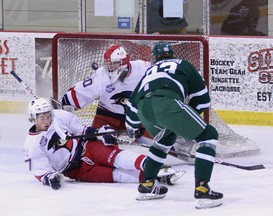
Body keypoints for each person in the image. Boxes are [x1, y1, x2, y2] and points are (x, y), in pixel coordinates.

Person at [125, 42, 223, 209]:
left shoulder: (149, 71)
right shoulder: (183, 64)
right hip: (166, 102)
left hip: (144, 109)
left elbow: (132, 104)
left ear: (154, 58)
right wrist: (185, 119)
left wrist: (133, 128)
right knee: (209, 135)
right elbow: (203, 99)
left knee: (165, 139)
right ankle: (203, 189)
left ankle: (147, 185)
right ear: (173, 54)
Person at [23, 98, 185, 190]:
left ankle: (156, 166)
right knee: (117, 176)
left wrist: (99, 133)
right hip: (76, 171)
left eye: (47, 116)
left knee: (118, 158)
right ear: (33, 118)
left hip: (88, 148)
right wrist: (50, 178)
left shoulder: (59, 117)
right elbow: (40, 171)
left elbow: (79, 128)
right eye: (41, 118)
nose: (46, 120)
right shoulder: (32, 144)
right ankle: (155, 178)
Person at [61, 44, 152, 144]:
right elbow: (78, 94)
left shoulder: (143, 68)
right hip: (109, 116)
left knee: (154, 144)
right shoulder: (101, 76)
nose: (110, 67)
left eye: (114, 63)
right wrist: (65, 103)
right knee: (95, 145)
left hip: (140, 115)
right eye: (108, 63)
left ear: (123, 63)